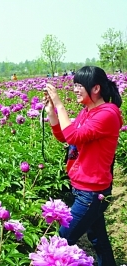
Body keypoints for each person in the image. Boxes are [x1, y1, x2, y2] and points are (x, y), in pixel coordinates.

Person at [44, 66, 122, 266]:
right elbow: (65, 137)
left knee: (60, 241)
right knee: (98, 239)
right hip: (82, 187)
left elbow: (73, 135)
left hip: (92, 191)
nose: (75, 89)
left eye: (79, 85)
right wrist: (52, 112)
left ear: (95, 88)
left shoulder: (107, 114)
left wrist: (61, 106)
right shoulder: (87, 112)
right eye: (74, 85)